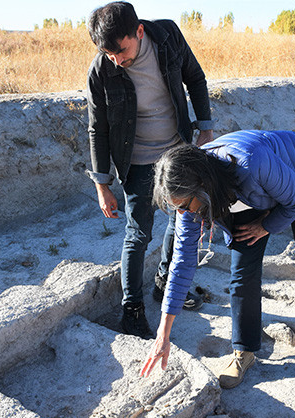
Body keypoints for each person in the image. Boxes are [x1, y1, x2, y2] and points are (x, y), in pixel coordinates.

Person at [140, 130, 295, 389]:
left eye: (184, 205)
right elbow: (182, 261)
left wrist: (266, 225)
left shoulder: (251, 163)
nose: (183, 213)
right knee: (242, 276)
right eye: (177, 207)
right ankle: (244, 351)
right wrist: (164, 332)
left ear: (202, 186)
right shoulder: (192, 196)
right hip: (250, 192)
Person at [86, 1, 214, 339]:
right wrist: (102, 184)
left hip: (177, 154)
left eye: (122, 50)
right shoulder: (102, 70)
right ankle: (132, 309)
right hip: (137, 163)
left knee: (180, 220)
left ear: (139, 31)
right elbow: (97, 127)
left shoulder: (168, 36)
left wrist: (206, 127)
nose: (117, 59)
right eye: (108, 53)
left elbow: (195, 78)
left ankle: (165, 283)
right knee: (138, 233)